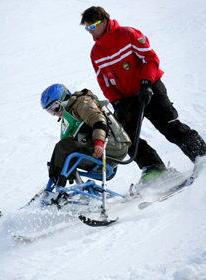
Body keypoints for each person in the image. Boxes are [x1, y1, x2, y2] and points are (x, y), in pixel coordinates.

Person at [80, 6, 206, 181]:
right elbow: (104, 82)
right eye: (87, 28)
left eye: (92, 26)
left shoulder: (128, 34)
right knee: (125, 139)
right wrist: (116, 102)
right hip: (126, 100)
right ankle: (154, 169)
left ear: (104, 21)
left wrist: (146, 83)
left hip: (149, 89)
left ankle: (202, 156)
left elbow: (151, 60)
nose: (90, 32)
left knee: (168, 125)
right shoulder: (96, 53)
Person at [40, 83, 131, 187]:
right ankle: (55, 188)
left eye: (55, 107)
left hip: (112, 145)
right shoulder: (69, 117)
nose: (55, 113)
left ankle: (58, 188)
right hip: (97, 152)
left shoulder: (81, 102)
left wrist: (99, 142)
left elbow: (98, 120)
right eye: (50, 111)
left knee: (65, 146)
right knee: (59, 156)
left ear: (64, 97)